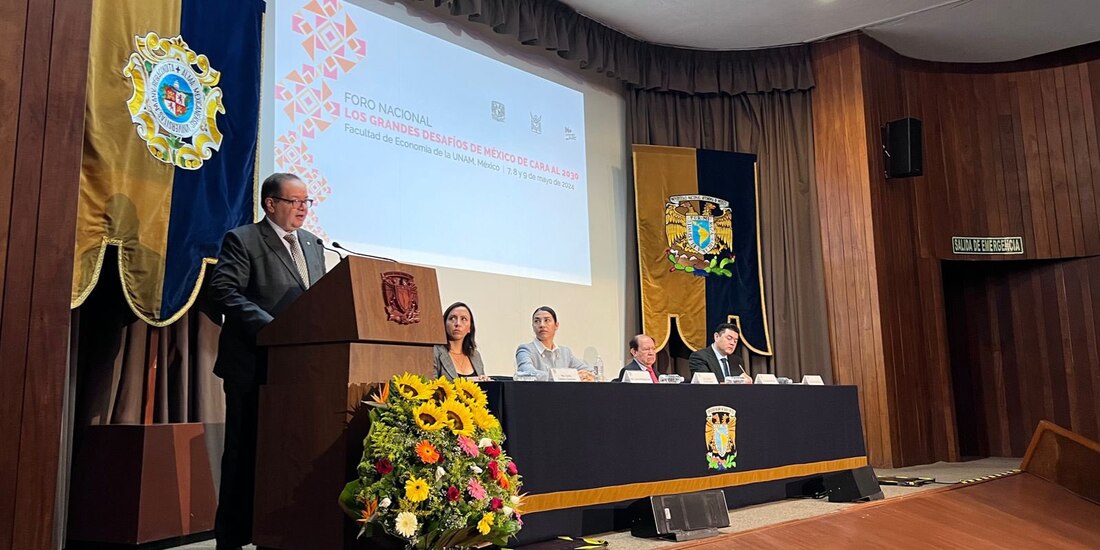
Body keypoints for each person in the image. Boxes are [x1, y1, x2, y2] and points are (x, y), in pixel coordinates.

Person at [208, 172, 326, 550]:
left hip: (299, 369)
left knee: (289, 454)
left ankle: (277, 532)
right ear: (270, 203)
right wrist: (275, 327)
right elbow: (223, 292)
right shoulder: (243, 240)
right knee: (244, 454)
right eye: (295, 201)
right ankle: (231, 537)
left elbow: (318, 299)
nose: (303, 209)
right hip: (252, 366)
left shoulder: (313, 243)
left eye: (307, 202)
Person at [515, 306, 595, 381]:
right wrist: (565, 377)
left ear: (556, 325)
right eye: (537, 321)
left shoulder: (565, 352)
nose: (542, 325)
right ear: (533, 326)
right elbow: (527, 373)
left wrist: (587, 376)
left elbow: (590, 372)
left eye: (547, 320)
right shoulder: (525, 350)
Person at [433, 301, 487, 380]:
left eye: (463, 319)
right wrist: (468, 381)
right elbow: (430, 385)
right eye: (452, 318)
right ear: (444, 324)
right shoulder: (435, 352)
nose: (457, 323)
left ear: (470, 328)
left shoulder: (475, 355)